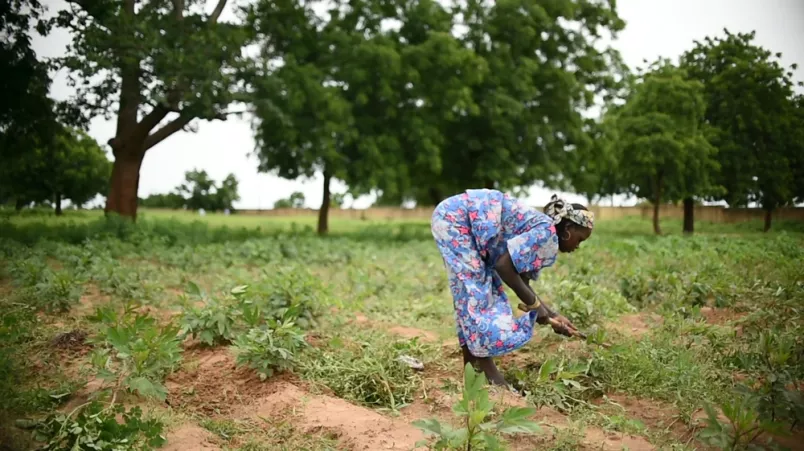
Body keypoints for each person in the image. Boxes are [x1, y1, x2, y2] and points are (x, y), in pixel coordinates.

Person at [431, 189, 595, 387]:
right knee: (476, 293)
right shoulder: (546, 234)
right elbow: (504, 267)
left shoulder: (543, 231)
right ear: (568, 227)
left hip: (457, 219)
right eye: (580, 239)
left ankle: (473, 371)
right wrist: (535, 306)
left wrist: (552, 314)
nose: (577, 246)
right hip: (456, 219)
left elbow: (521, 281)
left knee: (472, 294)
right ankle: (491, 378)